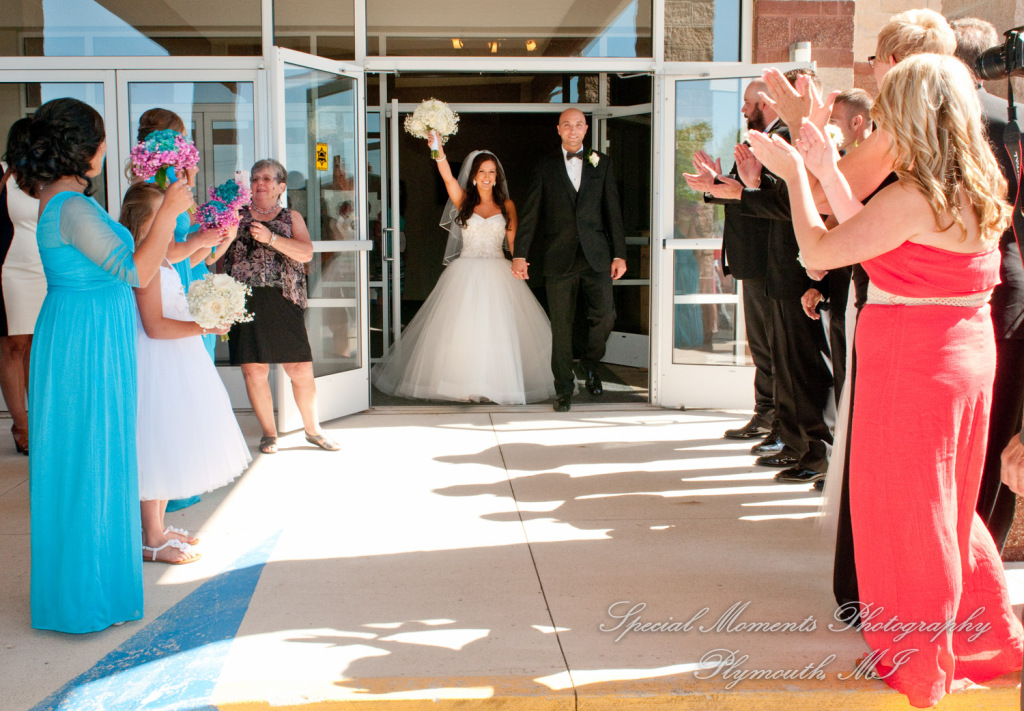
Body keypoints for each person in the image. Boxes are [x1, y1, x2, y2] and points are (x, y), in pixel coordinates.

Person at [749, 53, 1024, 708]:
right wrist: (822, 165)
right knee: (949, 504)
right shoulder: (978, 180)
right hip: (963, 354)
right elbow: (875, 237)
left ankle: (924, 653)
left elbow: (820, 250)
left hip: (916, 364)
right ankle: (978, 632)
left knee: (913, 509)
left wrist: (792, 176)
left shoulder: (912, 194)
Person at [17, 97, 192, 633]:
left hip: (90, 333)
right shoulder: (70, 206)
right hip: (82, 342)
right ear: (78, 148)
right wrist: (167, 212)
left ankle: (94, 584)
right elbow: (136, 271)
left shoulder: (68, 201)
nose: (105, 150)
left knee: (97, 456)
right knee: (87, 459)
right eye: (99, 140)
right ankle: (81, 598)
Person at [120, 183, 250, 564]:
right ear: (147, 219)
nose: (175, 220)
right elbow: (155, 326)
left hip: (175, 356)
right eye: (167, 213)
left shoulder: (157, 255)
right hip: (157, 361)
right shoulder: (141, 260)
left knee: (169, 442)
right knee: (156, 442)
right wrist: (204, 326)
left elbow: (182, 258)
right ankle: (152, 537)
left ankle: (155, 528)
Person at [372, 138, 555, 404]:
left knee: (498, 331)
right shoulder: (463, 200)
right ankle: (463, 385)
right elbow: (446, 177)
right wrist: (438, 148)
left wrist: (520, 261)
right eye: (482, 171)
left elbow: (515, 243)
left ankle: (498, 384)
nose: (487, 177)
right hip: (465, 271)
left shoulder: (507, 206)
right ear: (472, 176)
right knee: (463, 331)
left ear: (497, 177)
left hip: (498, 271)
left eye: (492, 172)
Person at [950, 16, 1024, 553]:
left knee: (986, 436)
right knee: (997, 433)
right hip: (1002, 286)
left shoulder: (959, 122)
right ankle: (982, 553)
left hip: (986, 288)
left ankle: (969, 556)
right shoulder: (1009, 118)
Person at [210, 158, 339, 454]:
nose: (260, 183)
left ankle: (313, 430)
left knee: (300, 368)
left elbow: (306, 253)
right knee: (254, 370)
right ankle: (269, 433)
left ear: (281, 186)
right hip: (242, 300)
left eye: (268, 179)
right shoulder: (234, 216)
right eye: (256, 178)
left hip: (283, 299)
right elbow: (213, 255)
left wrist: (271, 238)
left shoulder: (291, 217)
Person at [683, 79, 779, 451]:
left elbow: (765, 198)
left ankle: (778, 424)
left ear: (764, 103)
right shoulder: (759, 140)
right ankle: (766, 414)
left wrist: (735, 187)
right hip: (753, 261)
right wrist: (713, 183)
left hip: (769, 260)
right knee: (763, 345)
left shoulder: (780, 139)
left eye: (747, 102)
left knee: (773, 346)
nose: (742, 110)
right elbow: (741, 194)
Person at [512, 108, 627, 412]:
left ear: (586, 128)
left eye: (578, 125)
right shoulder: (545, 166)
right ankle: (564, 388)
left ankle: (590, 363)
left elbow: (613, 211)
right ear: (559, 129)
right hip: (557, 258)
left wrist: (619, 254)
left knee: (605, 315)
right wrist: (520, 254)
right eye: (567, 125)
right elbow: (531, 213)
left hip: (597, 257)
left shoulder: (602, 163)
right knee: (561, 328)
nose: (573, 130)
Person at [0, 119, 41, 456]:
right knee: (14, 346)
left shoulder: (50, 179)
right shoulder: (2, 174)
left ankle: (40, 420)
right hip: (9, 270)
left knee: (37, 347)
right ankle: (21, 425)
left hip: (46, 271)